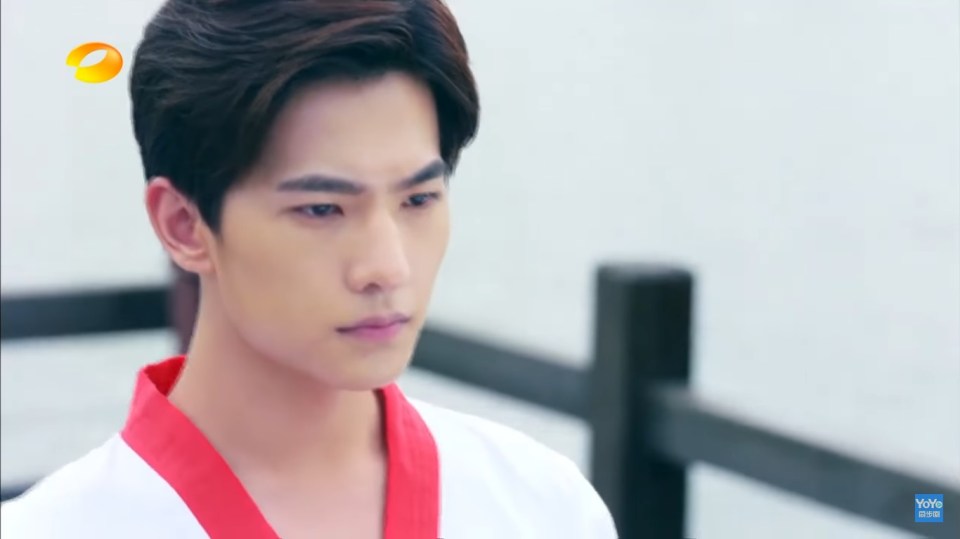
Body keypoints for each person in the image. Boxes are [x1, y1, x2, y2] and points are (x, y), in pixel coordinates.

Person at [1, 1, 619, 537]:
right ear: (184, 226)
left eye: (418, 200)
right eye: (322, 208)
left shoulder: (543, 508)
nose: (387, 267)